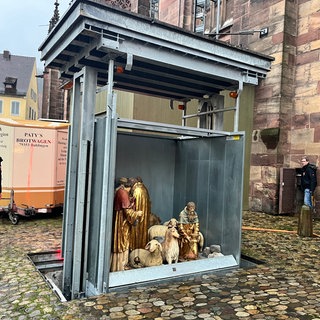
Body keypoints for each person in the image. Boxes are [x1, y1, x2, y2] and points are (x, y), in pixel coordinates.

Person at [111, 177, 142, 272]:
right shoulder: (123, 193)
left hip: (122, 222)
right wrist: (137, 213)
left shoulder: (121, 191)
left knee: (124, 243)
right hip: (122, 223)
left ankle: (122, 264)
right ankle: (120, 266)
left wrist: (131, 201)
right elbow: (127, 211)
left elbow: (126, 205)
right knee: (122, 243)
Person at [129, 176, 151, 251]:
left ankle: (135, 249)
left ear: (134, 182)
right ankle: (141, 249)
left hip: (137, 216)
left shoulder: (137, 190)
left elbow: (134, 204)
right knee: (143, 232)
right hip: (144, 215)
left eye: (130, 183)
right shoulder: (144, 189)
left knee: (137, 233)